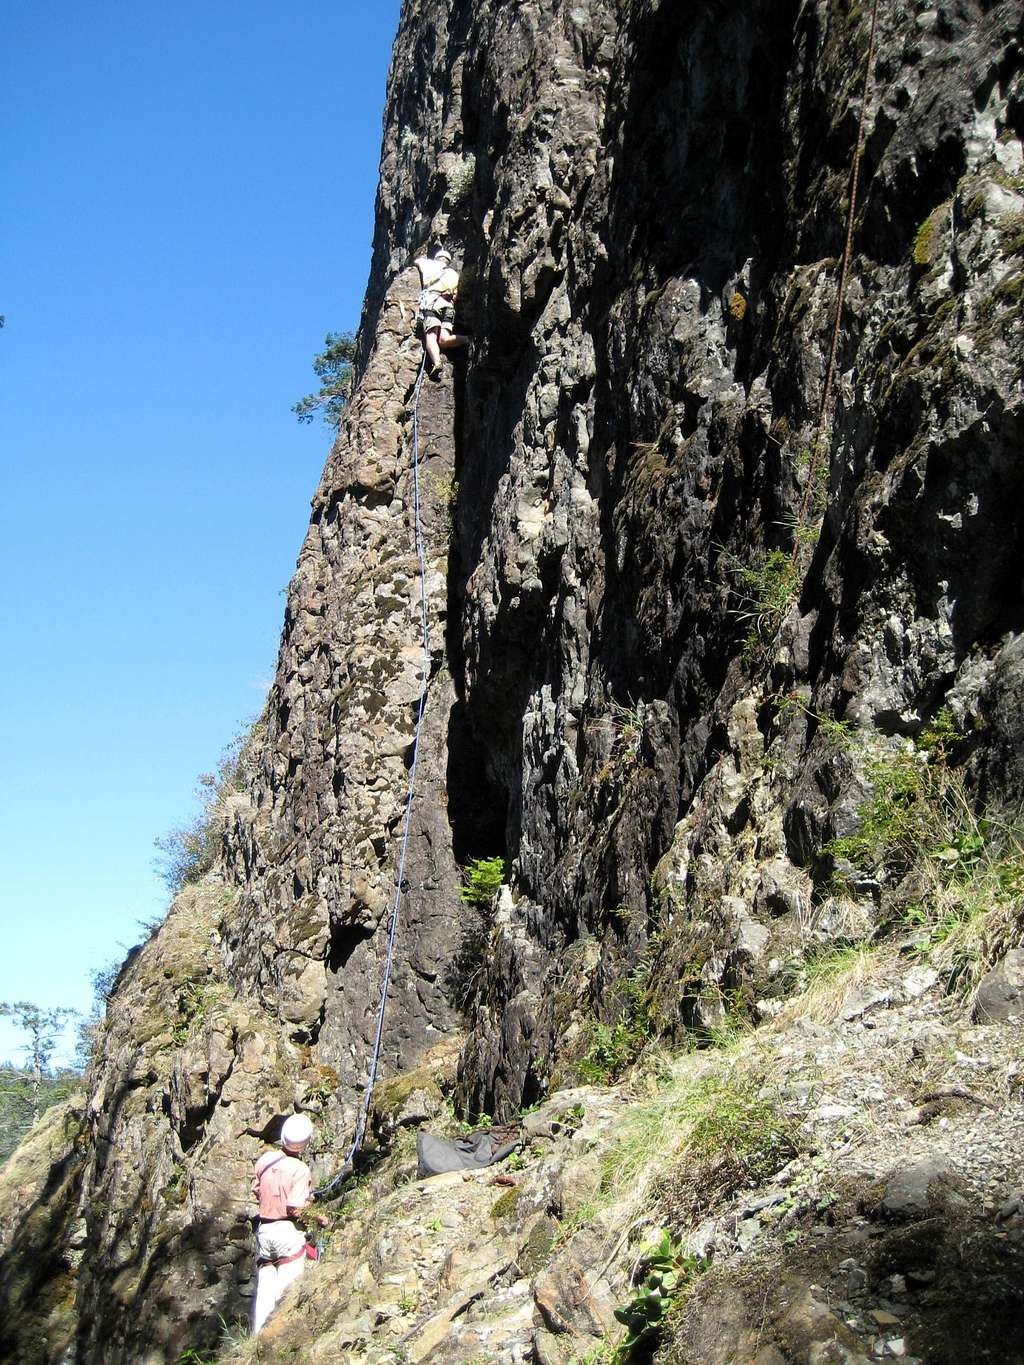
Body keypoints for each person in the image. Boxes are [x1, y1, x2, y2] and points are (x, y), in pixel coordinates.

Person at [250, 1113, 328, 1334]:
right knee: (286, 1294)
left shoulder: (265, 1160)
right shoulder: (300, 1170)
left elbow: (257, 1190)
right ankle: (279, 1339)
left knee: (265, 1292)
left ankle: (256, 1340)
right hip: (287, 1233)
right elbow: (295, 1207)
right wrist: (318, 1217)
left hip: (264, 1230)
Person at [413, 246, 469, 376]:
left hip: (433, 303)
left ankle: (437, 362)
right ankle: (468, 340)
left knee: (431, 337)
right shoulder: (454, 274)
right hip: (448, 306)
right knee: (443, 339)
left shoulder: (429, 264)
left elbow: (417, 262)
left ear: (437, 258)